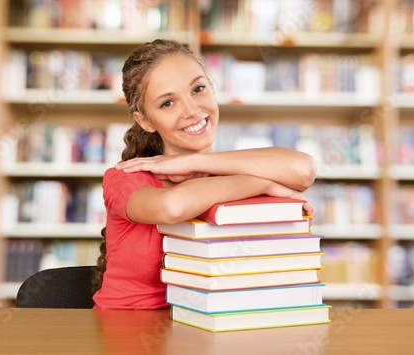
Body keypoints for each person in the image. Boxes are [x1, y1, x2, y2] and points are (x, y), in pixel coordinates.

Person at [92, 39, 316, 310]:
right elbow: (172, 207)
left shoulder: (225, 180)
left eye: (198, 89)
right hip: (127, 335)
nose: (192, 110)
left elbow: (304, 170)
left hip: (208, 330)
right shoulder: (126, 178)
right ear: (145, 120)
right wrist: (264, 182)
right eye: (167, 104)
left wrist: (198, 162)